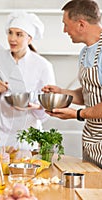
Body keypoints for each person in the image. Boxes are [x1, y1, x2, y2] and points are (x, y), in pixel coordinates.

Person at [42, 0, 102, 168]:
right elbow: (90, 93)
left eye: (66, 25)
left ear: (81, 24)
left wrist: (77, 114)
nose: (64, 30)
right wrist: (62, 93)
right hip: (92, 139)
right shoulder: (85, 52)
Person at [0, 11, 55, 148]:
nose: (12, 39)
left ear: (30, 38)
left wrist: (36, 107)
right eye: (10, 33)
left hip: (27, 134)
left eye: (19, 34)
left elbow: (48, 107)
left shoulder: (43, 65)